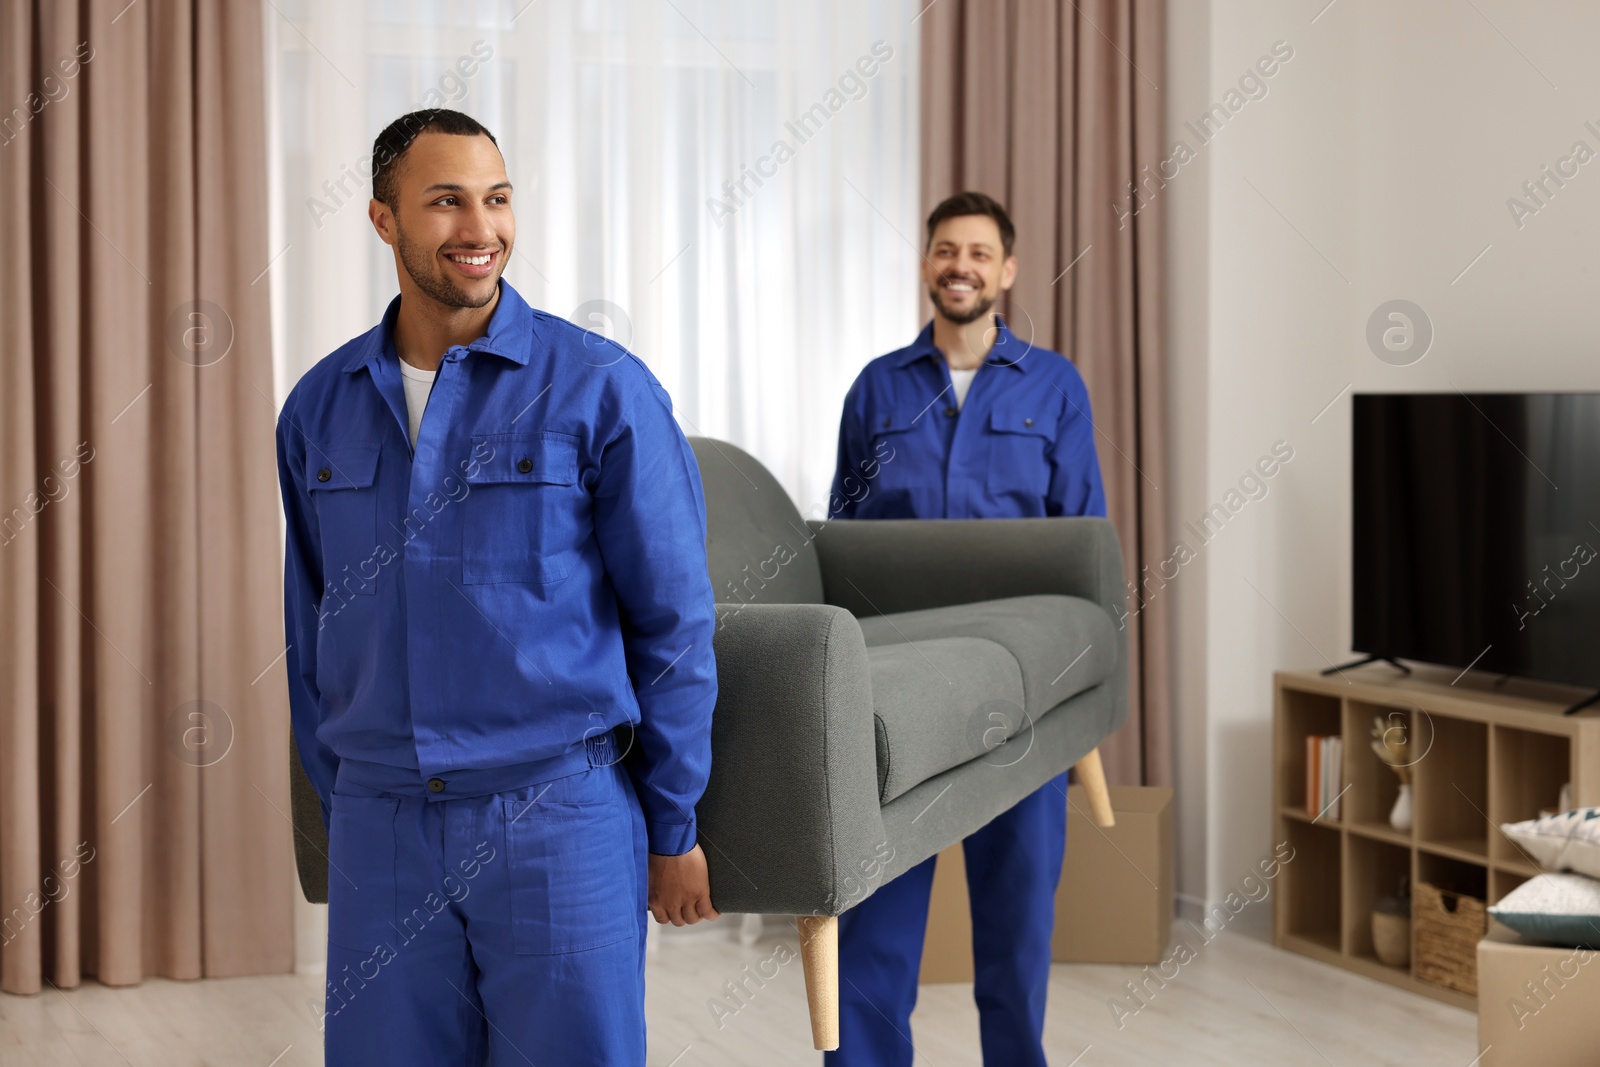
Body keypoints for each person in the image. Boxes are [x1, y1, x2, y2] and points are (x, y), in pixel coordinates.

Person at [275, 108, 719, 1066]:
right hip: (383, 828)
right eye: (446, 201)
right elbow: (311, 629)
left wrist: (673, 821)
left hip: (556, 819)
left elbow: (674, 621)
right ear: (384, 220)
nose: (480, 228)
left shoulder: (603, 387)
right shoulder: (318, 406)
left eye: (498, 198)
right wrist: (348, 806)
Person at [826, 191, 1107, 1066]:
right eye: (947, 250)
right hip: (894, 696)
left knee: (1017, 938)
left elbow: (1081, 545)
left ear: (1007, 271)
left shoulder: (1056, 387)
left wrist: (1083, 695)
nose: (961, 266)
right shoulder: (877, 386)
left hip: (1019, 695)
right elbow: (839, 538)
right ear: (926, 263)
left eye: (979, 253)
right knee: (873, 935)